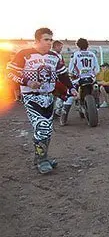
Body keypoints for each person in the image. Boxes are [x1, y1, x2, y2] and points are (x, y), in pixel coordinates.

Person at [6, 27, 76, 174]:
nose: (50, 42)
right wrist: (27, 82)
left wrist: (71, 88)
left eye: (51, 39)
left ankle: (41, 157)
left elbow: (63, 75)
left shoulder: (55, 57)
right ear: (37, 40)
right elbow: (10, 73)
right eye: (46, 39)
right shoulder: (24, 54)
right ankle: (42, 160)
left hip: (49, 97)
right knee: (42, 127)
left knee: (47, 130)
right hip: (31, 97)